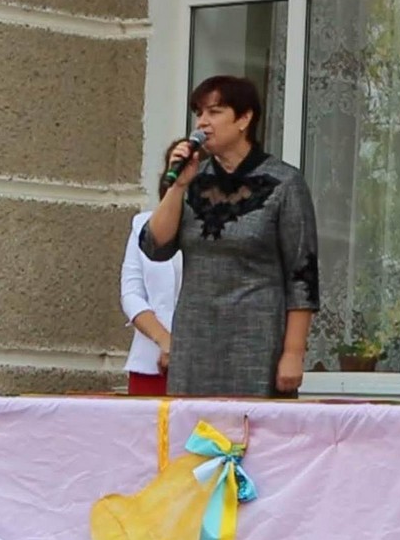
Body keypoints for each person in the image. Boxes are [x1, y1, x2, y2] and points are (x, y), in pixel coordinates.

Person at [140, 75, 320, 397]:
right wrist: (177, 186)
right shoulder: (193, 180)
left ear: (244, 119)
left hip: (256, 338)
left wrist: (294, 352)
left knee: (250, 425)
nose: (202, 122)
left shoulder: (284, 183)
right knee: (193, 426)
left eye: (214, 112)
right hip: (195, 338)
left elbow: (302, 273)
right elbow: (155, 247)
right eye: (199, 113)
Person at [120, 141, 185, 396]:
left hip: (202, 364)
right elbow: (131, 293)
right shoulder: (142, 225)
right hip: (150, 363)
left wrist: (182, 348)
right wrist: (164, 340)